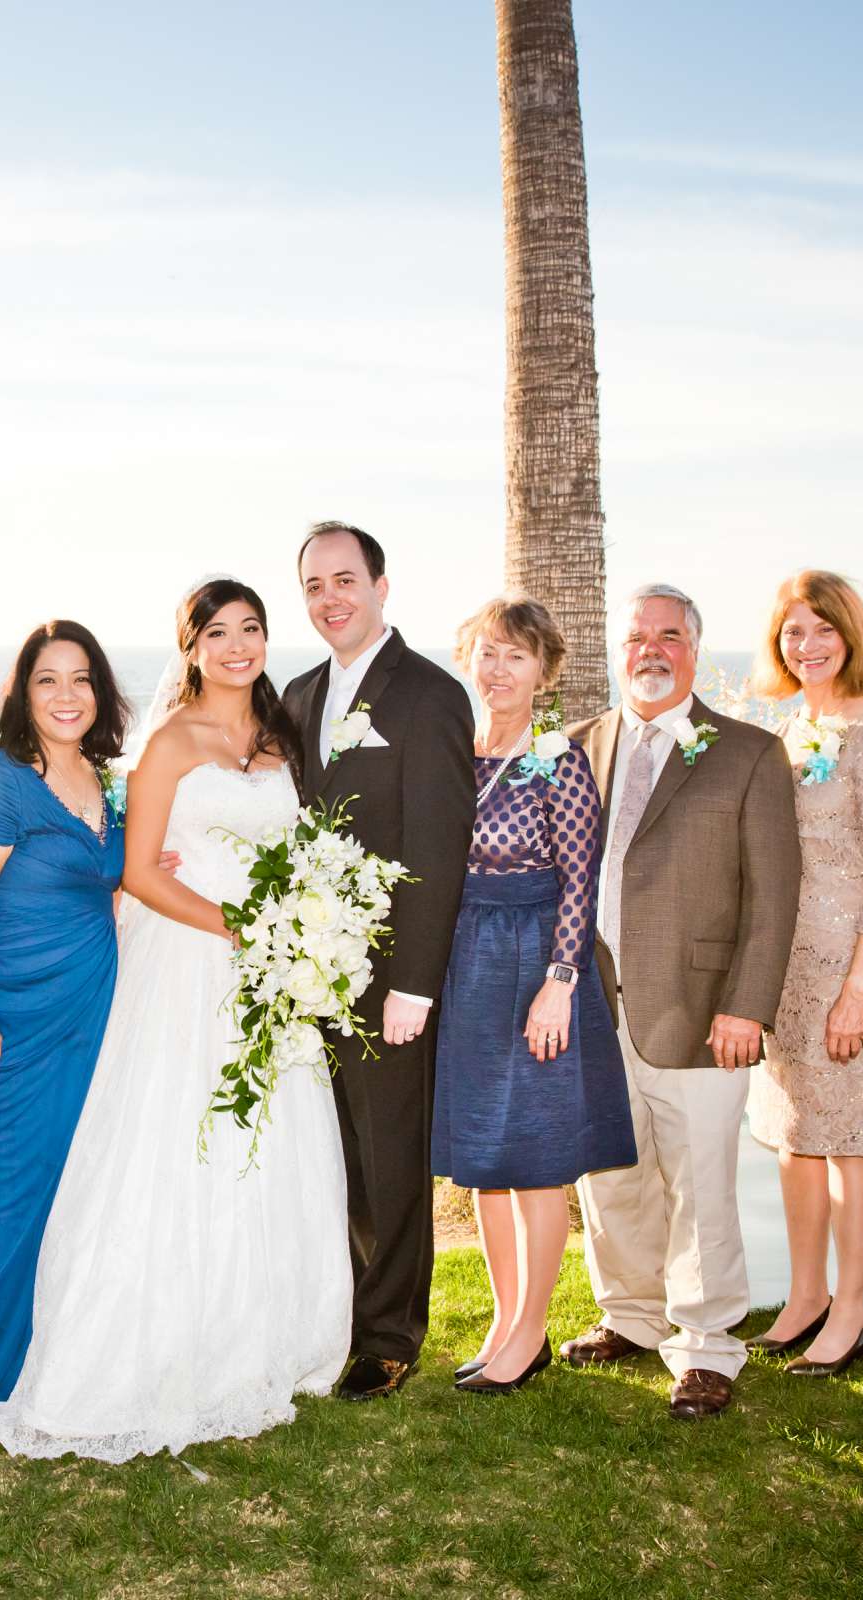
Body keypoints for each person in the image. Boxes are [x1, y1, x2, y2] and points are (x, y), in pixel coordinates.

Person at [0, 579, 351, 1459]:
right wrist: (242, 931)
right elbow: (142, 871)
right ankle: (133, 1359)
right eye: (215, 633)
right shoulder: (169, 743)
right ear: (189, 647)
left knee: (268, 1146)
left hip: (270, 971)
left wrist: (301, 933)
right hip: (190, 966)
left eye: (250, 629)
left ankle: (261, 1340)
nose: (235, 647)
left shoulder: (281, 736)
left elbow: (295, 848)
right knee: (177, 1147)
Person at [560, 583, 800, 1421]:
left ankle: (705, 1347)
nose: (651, 650)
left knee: (700, 1181)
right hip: (591, 1003)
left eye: (669, 635)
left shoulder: (746, 753)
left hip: (702, 1009)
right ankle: (630, 1314)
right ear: (617, 650)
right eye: (637, 637)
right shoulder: (574, 747)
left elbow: (775, 895)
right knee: (609, 1175)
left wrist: (749, 1005)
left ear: (694, 649)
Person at [281, 523, 475, 1399]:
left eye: (346, 580)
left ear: (383, 586)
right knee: (331, 1154)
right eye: (315, 585)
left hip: (388, 975)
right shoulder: (297, 694)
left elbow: (441, 845)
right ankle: (335, 1311)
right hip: (305, 971)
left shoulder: (430, 695)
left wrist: (414, 984)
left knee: (390, 1157)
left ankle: (391, 1335)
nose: (332, 599)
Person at [0, 621, 131, 1405]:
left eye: (82, 679)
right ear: (24, 691)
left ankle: (54, 1352)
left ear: (101, 693)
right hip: (6, 1020)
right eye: (49, 680)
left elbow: (98, 880)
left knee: (68, 1190)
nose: (67, 696)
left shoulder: (100, 780)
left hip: (87, 1017)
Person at [432, 596, 635, 1394]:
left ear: (544, 672)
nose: (498, 668)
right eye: (486, 652)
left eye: (516, 655)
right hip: (465, 964)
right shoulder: (456, 752)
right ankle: (505, 1319)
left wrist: (559, 985)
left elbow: (580, 884)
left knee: (539, 1158)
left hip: (536, 963)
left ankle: (532, 1330)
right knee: (486, 1156)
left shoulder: (559, 760)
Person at [743, 572, 863, 1377]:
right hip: (788, 965)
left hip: (855, 965)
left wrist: (858, 987)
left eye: (821, 630)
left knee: (850, 1144)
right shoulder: (790, 724)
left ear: (850, 635)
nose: (806, 646)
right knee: (794, 1138)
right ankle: (804, 1296)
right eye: (792, 633)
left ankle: (852, 1309)